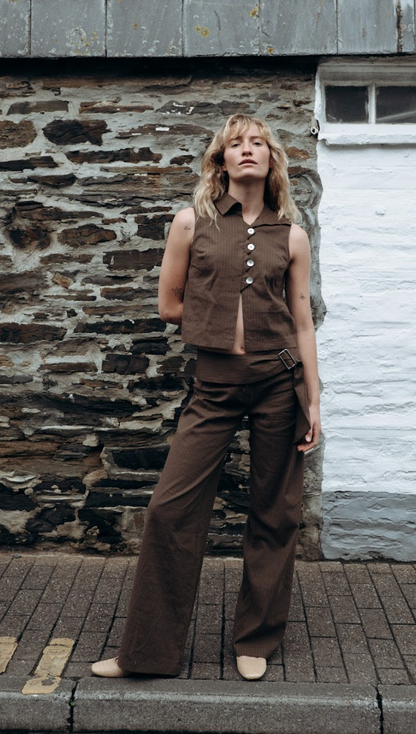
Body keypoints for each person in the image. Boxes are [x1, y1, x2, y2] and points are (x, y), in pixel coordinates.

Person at [91, 113, 321, 681]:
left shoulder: (292, 235)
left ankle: (256, 640)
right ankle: (145, 653)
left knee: (275, 513)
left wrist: (313, 402)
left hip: (280, 383)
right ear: (221, 159)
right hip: (215, 385)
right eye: (236, 143)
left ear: (272, 159)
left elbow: (303, 321)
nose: (248, 150)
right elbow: (169, 305)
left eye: (258, 142)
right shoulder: (191, 222)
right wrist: (221, 323)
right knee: (169, 510)